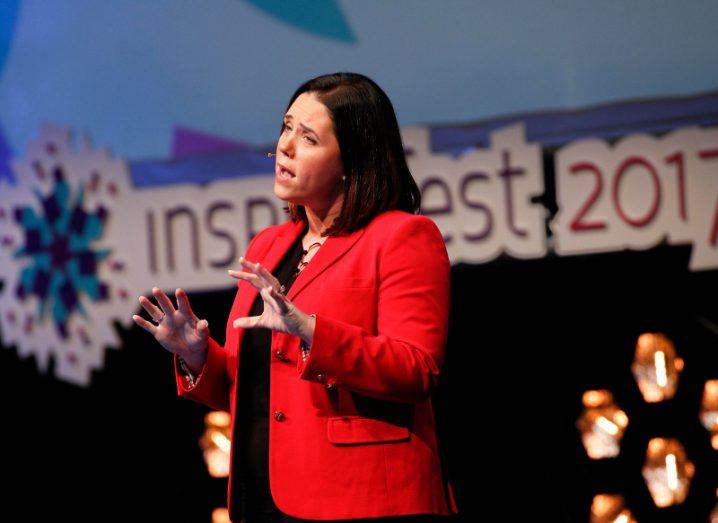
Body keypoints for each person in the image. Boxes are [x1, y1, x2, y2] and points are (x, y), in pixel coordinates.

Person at [133, 72, 458, 523]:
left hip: (363, 498)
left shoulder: (402, 236)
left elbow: (417, 370)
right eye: (287, 127)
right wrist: (195, 353)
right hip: (262, 493)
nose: (285, 146)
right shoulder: (268, 244)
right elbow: (258, 386)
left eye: (308, 138)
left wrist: (312, 332)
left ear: (352, 160)